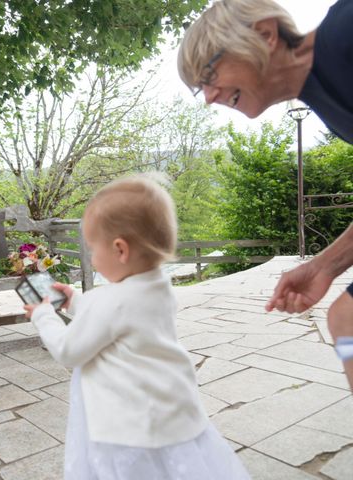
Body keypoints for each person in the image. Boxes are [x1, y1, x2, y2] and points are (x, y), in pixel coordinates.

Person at [24, 175, 250, 479]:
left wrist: (43, 316)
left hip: (126, 427)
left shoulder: (114, 302)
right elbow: (123, 317)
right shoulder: (158, 286)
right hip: (170, 411)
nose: (91, 257)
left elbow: (68, 351)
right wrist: (75, 302)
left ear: (120, 250)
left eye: (92, 249)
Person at [177, 0, 353, 389]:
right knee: (345, 322)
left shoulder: (345, 31)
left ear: (265, 33)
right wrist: (325, 266)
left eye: (209, 74)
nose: (208, 96)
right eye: (200, 88)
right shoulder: (326, 97)